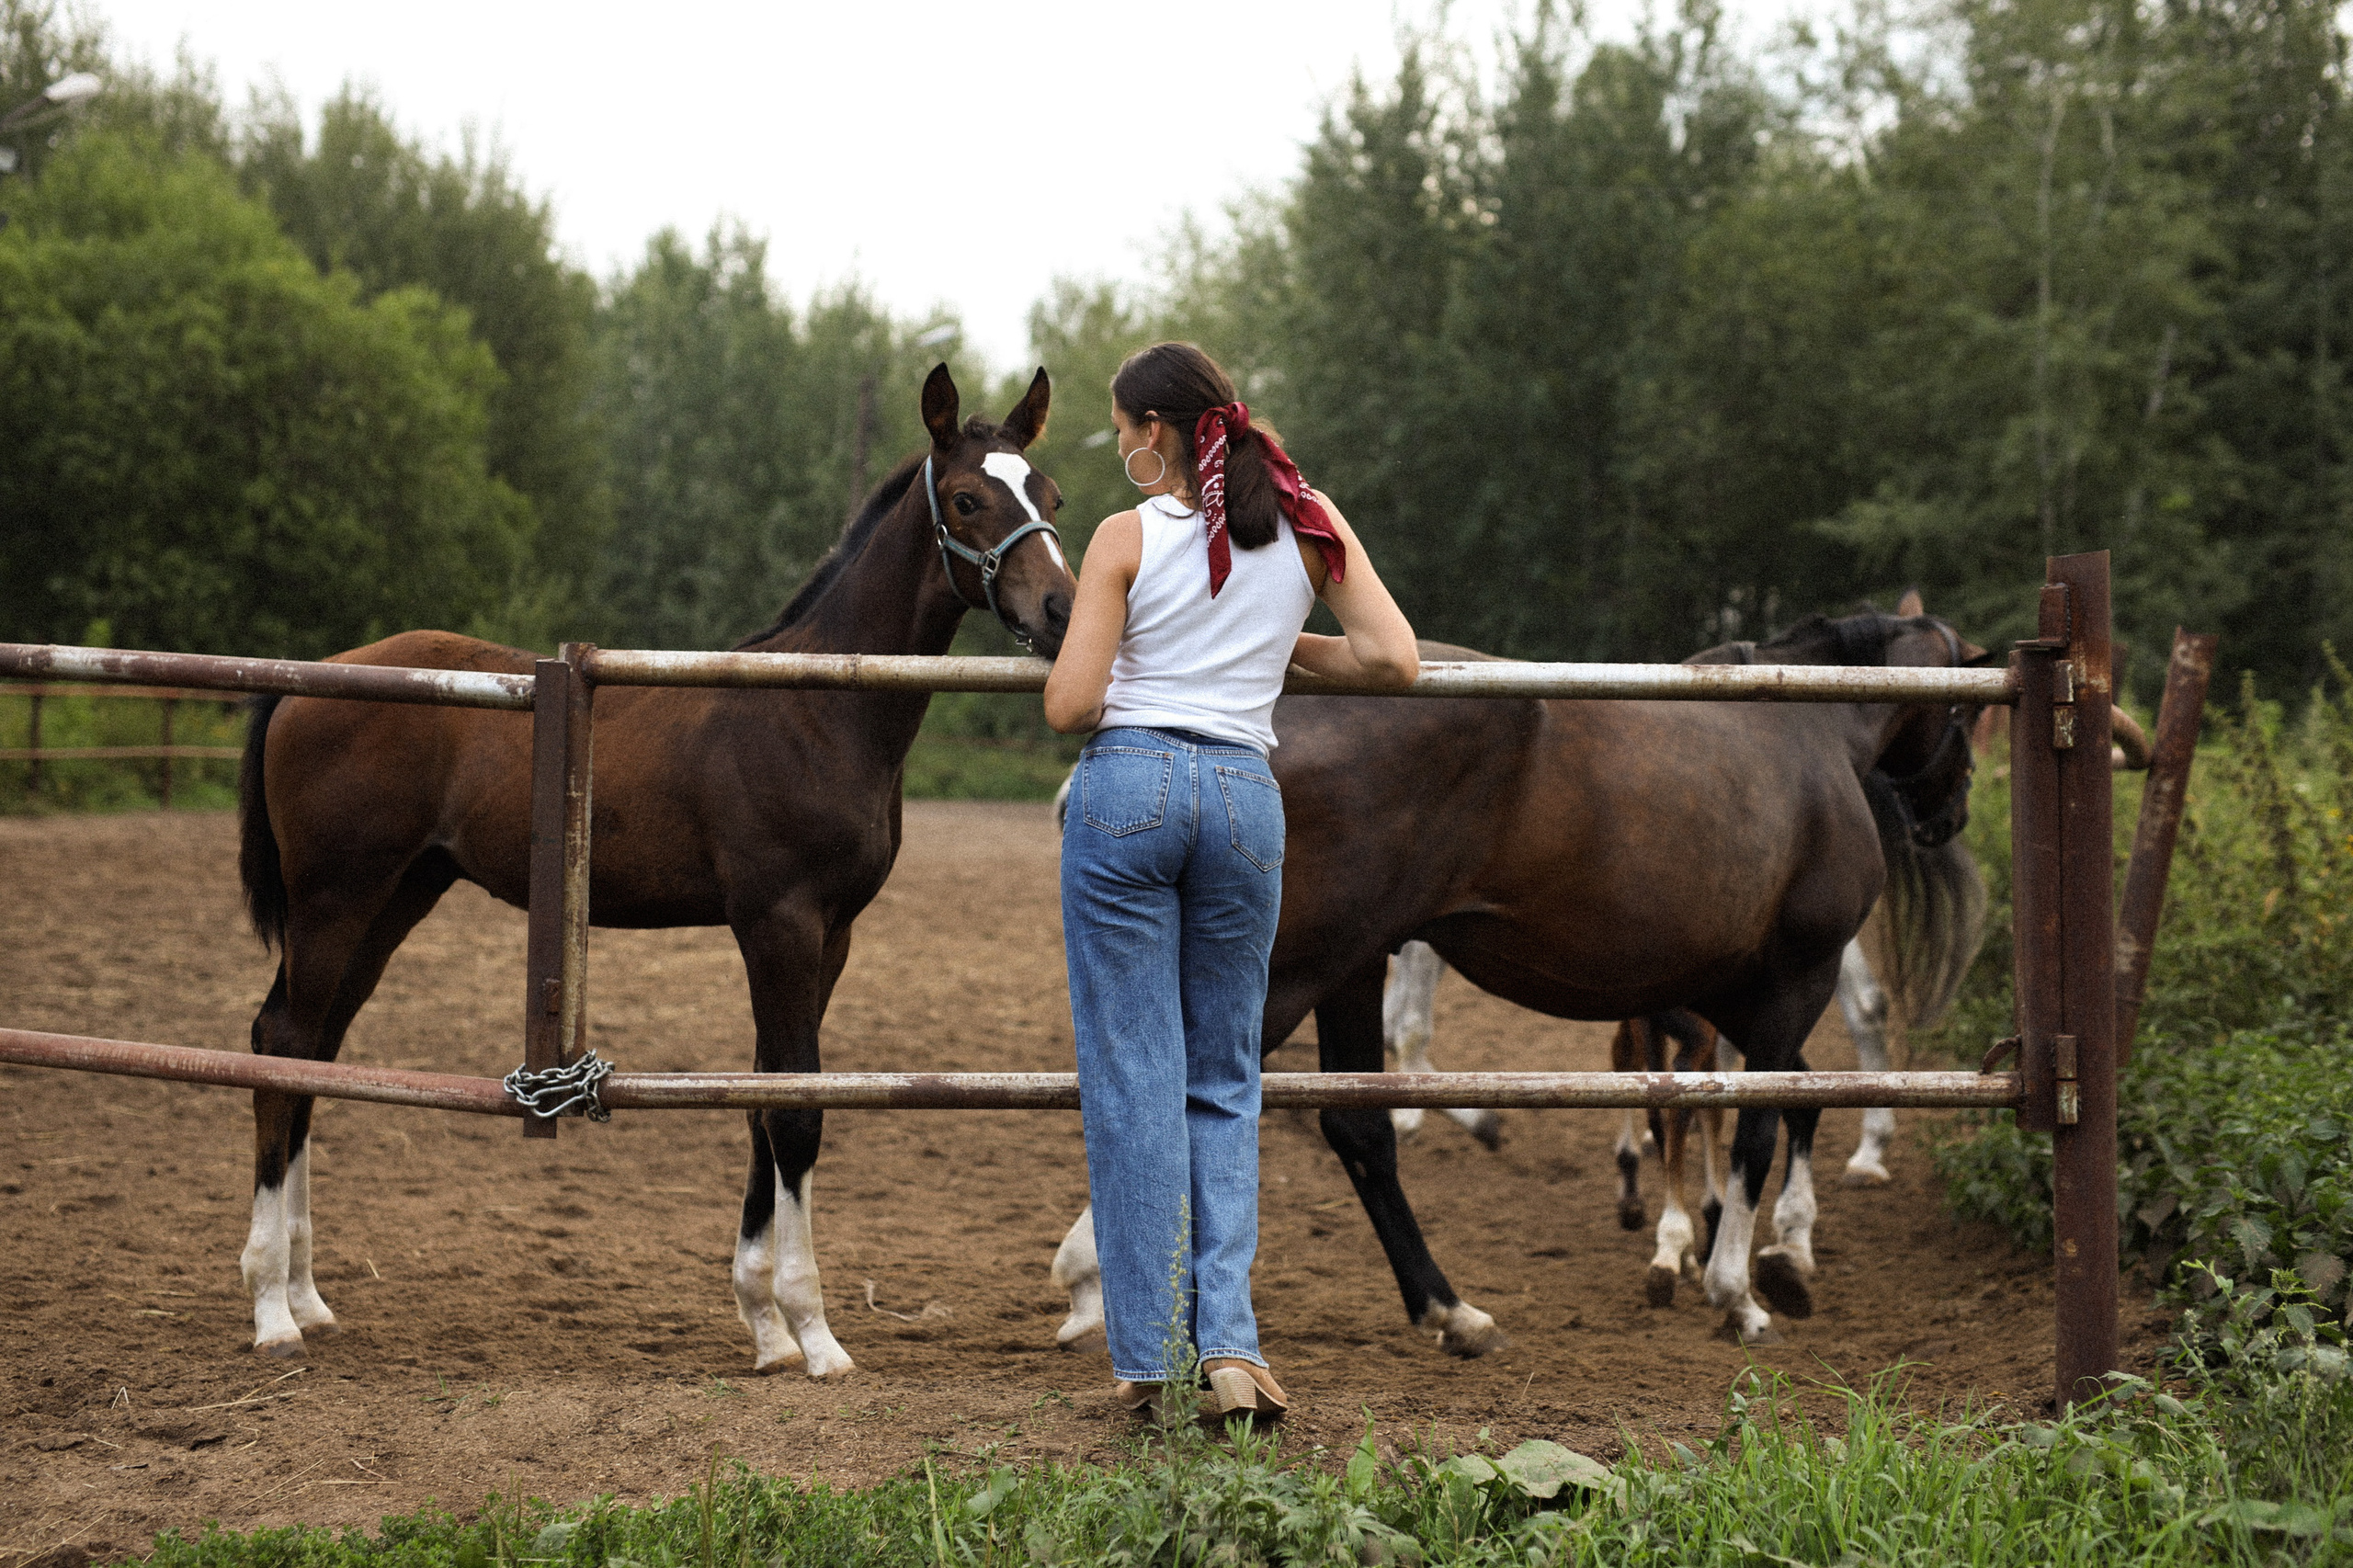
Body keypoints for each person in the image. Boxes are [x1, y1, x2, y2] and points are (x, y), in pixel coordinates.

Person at [1042, 342, 1419, 1424]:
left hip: (1130, 790)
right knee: (1224, 1077)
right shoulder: (1306, 517)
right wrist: (1282, 649)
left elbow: (1071, 704)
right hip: (1247, 800)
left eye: (1121, 426)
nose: (1120, 443)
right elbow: (1393, 659)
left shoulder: (1124, 537)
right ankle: (1232, 1347)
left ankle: (1152, 1352)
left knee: (1134, 1079)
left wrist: (1129, 644)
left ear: (1154, 431)